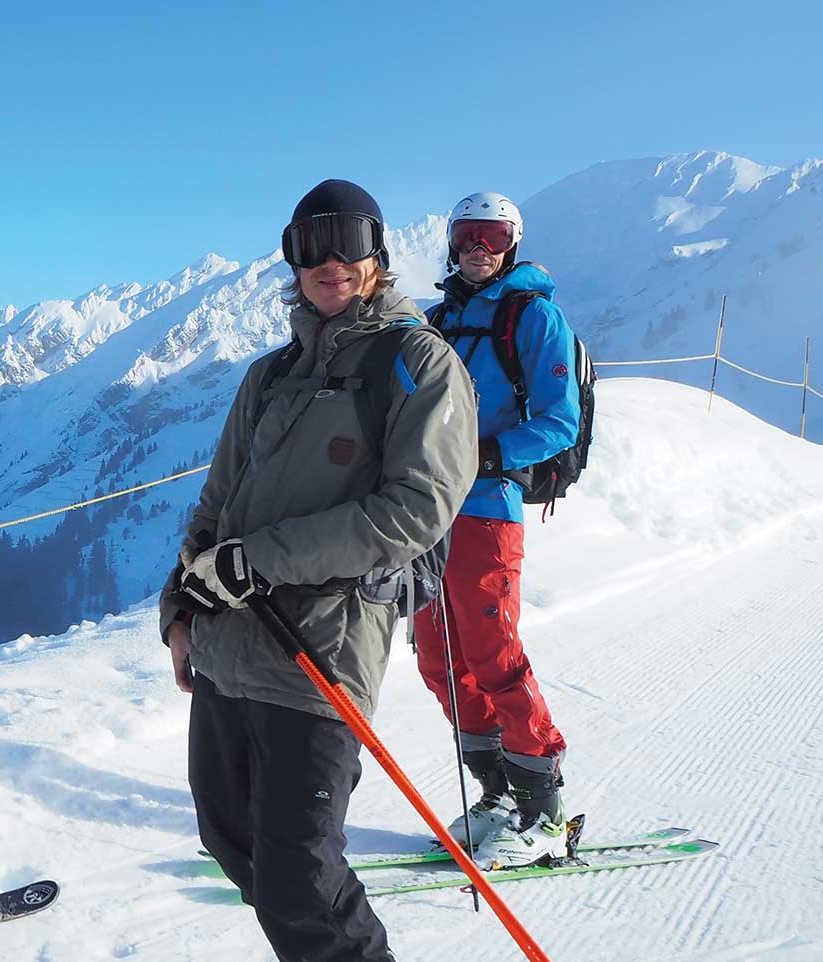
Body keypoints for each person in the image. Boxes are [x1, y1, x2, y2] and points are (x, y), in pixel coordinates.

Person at [159, 180, 477, 962]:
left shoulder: (415, 364)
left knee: (301, 877)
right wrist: (180, 607)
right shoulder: (269, 376)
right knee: (236, 845)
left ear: (378, 253)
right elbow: (218, 502)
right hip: (229, 648)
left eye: (348, 241)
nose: (329, 261)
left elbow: (415, 511)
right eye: (310, 244)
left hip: (319, 657)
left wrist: (257, 562)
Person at [415, 192, 581, 868]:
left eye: (491, 234)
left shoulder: (534, 317)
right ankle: (496, 795)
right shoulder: (436, 320)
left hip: (487, 506)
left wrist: (490, 455)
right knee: (438, 657)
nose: (476, 247)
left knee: (493, 653)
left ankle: (546, 807)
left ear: (513, 242)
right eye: (465, 235)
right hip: (425, 510)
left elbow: (559, 420)